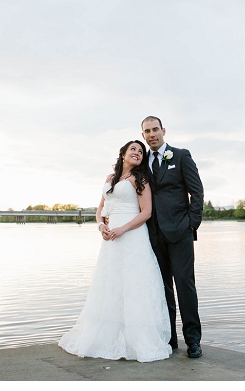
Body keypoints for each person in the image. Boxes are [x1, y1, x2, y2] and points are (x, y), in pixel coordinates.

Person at [58, 140, 172, 362]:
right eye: (133, 149)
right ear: (123, 154)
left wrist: (122, 229)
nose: (138, 153)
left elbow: (146, 212)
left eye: (141, 151)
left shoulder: (141, 179)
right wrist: (102, 225)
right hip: (110, 238)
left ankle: (137, 338)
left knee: (133, 282)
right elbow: (100, 209)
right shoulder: (110, 179)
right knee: (110, 283)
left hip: (132, 235)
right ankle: (107, 334)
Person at [141, 116, 204, 358]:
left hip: (180, 232)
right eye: (147, 131)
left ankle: (193, 340)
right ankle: (169, 339)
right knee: (162, 289)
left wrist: (192, 223)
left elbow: (196, 191)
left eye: (155, 129)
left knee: (185, 287)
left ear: (163, 130)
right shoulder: (142, 162)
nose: (151, 134)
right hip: (153, 235)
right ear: (144, 135)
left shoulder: (180, 156)